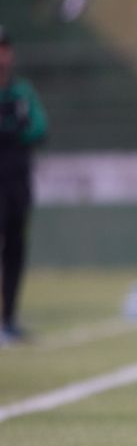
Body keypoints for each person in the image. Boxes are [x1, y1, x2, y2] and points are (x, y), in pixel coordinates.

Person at [0, 26, 48, 345]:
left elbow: (39, 129)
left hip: (16, 183)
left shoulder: (22, 93)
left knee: (15, 248)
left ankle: (9, 318)